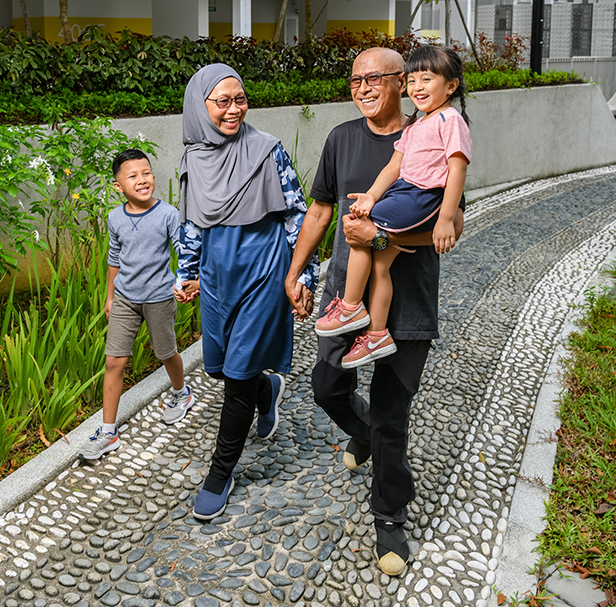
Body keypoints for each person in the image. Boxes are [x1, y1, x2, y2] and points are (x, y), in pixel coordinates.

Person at [285, 47, 464, 576]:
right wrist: (296, 273)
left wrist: (380, 232)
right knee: (326, 385)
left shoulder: (432, 132)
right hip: (347, 296)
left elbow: (447, 227)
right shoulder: (342, 138)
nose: (362, 87)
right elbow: (321, 211)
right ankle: (357, 432)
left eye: (375, 79)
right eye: (354, 78)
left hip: (408, 304)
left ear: (402, 82)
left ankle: (389, 514)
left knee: (391, 414)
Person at [175, 63, 318, 521]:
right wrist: (188, 272)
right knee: (220, 369)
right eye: (223, 102)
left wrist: (302, 276)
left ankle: (220, 472)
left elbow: (298, 214)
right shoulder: (193, 158)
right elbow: (193, 223)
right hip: (219, 276)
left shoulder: (266, 150)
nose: (234, 109)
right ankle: (266, 386)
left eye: (241, 99)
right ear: (201, 107)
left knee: (234, 378)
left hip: (264, 270)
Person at [315, 46, 471, 370]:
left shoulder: (450, 120)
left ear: (451, 86)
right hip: (403, 192)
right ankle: (376, 333)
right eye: (414, 80)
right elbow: (393, 167)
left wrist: (443, 220)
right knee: (380, 261)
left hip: (422, 197)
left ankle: (351, 306)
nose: (418, 87)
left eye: (426, 79)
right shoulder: (414, 127)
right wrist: (371, 197)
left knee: (359, 234)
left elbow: (457, 171)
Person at [79, 149, 199, 461]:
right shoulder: (115, 217)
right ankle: (108, 432)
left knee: (165, 352)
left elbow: (183, 251)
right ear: (118, 186)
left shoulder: (168, 214)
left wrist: (187, 281)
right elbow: (114, 259)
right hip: (125, 300)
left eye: (146, 173)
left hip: (159, 297)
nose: (142, 180)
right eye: (132, 176)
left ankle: (180, 392)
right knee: (113, 361)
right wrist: (110, 296)